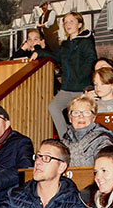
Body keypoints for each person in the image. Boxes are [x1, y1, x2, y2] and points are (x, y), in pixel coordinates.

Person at [32, 11, 98, 139]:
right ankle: (65, 138)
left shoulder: (86, 42)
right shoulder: (65, 45)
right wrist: (39, 52)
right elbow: (55, 56)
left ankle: (85, 138)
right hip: (67, 88)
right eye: (65, 22)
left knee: (80, 114)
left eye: (71, 21)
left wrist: (80, 78)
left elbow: (91, 62)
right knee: (53, 107)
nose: (68, 24)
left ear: (79, 24)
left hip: (81, 88)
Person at [62, 95, 113, 166]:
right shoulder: (64, 141)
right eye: (76, 112)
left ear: (94, 117)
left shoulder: (104, 140)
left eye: (86, 112)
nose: (81, 116)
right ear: (70, 118)